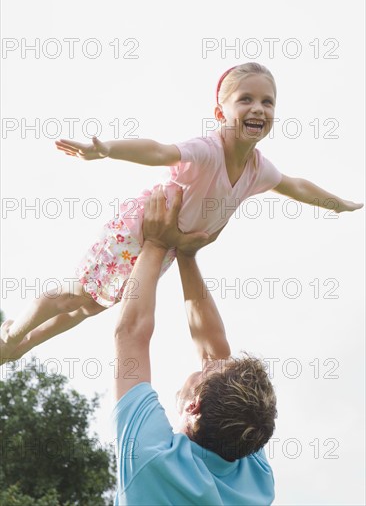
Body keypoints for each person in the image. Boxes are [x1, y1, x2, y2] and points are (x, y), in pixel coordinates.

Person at [0, 63, 362, 363]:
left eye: (268, 102)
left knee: (90, 308)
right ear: (221, 113)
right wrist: (107, 149)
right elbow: (159, 151)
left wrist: (340, 205)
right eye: (246, 99)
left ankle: (24, 344)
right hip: (137, 232)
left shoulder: (258, 170)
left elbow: (296, 186)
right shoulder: (207, 150)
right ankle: (11, 334)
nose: (258, 108)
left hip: (165, 250)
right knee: (74, 295)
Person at [112, 186, 277, 505]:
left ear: (193, 406)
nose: (208, 363)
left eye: (206, 374)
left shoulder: (149, 458)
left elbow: (131, 333)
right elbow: (215, 355)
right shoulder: (253, 476)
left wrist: (157, 243)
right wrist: (186, 256)